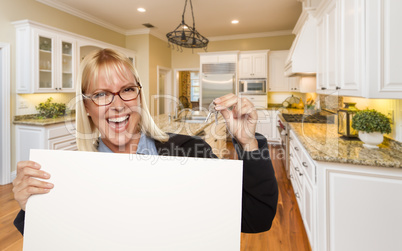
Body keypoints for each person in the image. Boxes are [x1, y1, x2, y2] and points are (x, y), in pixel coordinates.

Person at [13, 48, 278, 235]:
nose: (118, 105)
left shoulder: (188, 152)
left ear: (139, 96)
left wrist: (248, 143)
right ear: (86, 107)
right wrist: (32, 208)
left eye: (127, 89)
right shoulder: (67, 174)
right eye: (101, 94)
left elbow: (256, 218)